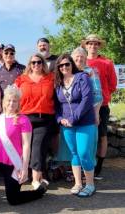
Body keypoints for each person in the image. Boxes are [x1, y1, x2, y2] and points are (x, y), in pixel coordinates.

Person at [55, 53, 97, 197]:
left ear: (72, 64)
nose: (64, 67)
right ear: (58, 68)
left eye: (67, 64)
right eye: (61, 65)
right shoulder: (58, 83)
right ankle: (78, 183)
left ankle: (90, 184)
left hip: (85, 122)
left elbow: (87, 99)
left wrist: (73, 118)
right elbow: (56, 106)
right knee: (74, 153)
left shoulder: (82, 77)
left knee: (84, 153)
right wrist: (60, 118)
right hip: (67, 125)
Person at [15, 53, 55, 190]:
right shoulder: (21, 79)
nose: (36, 65)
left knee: (38, 148)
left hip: (44, 118)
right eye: (33, 63)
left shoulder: (51, 78)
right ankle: (23, 174)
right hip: (25, 118)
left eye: (39, 62)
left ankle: (35, 179)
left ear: (43, 63)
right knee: (25, 148)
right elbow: (13, 97)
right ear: (29, 65)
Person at [81, 34, 117, 177]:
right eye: (90, 43)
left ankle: (99, 167)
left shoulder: (107, 63)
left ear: (99, 45)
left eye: (96, 43)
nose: (93, 46)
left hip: (101, 105)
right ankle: (86, 164)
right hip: (83, 105)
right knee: (87, 135)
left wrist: (102, 95)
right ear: (86, 45)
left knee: (102, 135)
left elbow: (113, 85)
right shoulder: (80, 60)